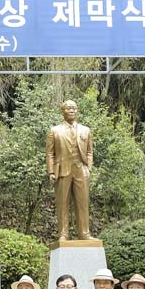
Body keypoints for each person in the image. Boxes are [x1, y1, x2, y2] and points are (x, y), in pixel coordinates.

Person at [45, 99, 96, 241]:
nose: (72, 110)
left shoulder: (86, 130)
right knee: (62, 204)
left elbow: (90, 151)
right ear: (63, 111)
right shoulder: (54, 131)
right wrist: (51, 172)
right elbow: (50, 154)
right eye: (68, 108)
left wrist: (89, 167)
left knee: (83, 202)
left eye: (74, 108)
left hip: (81, 170)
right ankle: (63, 234)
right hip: (62, 170)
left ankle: (84, 233)